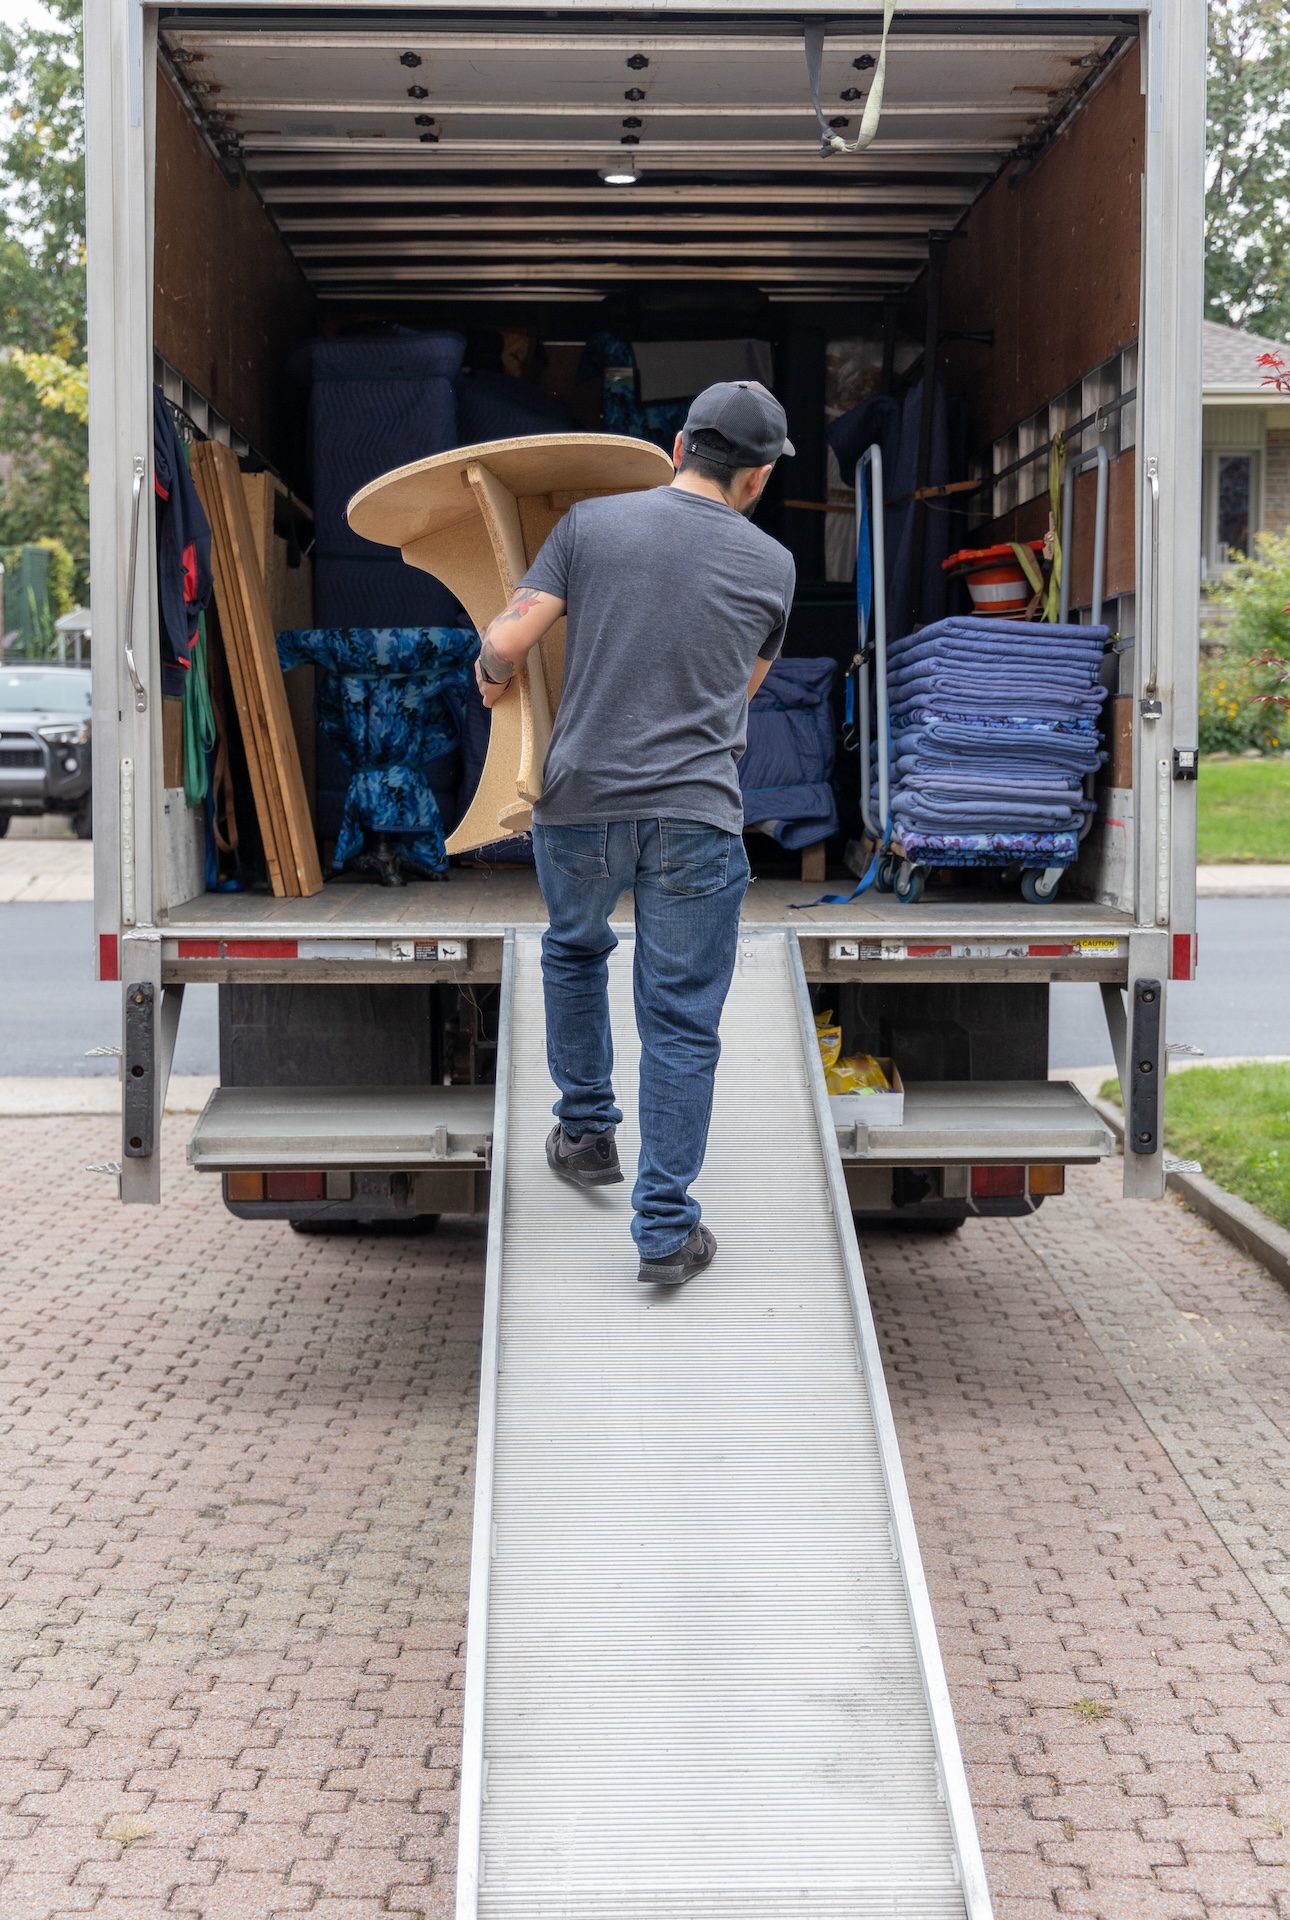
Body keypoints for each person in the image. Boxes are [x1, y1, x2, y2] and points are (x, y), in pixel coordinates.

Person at [474, 381, 796, 1286]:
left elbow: (514, 635)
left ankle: (585, 1134)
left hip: (580, 804)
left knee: (576, 954)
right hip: (695, 814)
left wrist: (492, 670)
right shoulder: (773, 566)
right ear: (759, 477)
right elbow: (741, 692)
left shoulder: (590, 524)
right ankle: (664, 1232)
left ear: (679, 442)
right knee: (682, 1025)